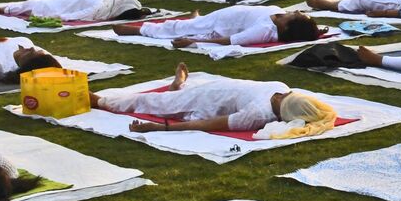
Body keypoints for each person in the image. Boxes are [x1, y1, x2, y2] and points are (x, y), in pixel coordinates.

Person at [89, 62, 338, 137]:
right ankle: (178, 88)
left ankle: (100, 101)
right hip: (214, 91)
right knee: (158, 102)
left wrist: (162, 127)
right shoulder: (263, 108)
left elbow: (209, 124)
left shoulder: (265, 106)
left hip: (207, 101)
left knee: (150, 103)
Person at [113, 6, 323, 49]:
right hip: (225, 15)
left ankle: (138, 29)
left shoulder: (264, 31)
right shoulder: (279, 20)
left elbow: (228, 41)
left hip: (220, 25)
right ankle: (195, 18)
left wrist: (193, 41)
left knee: (179, 28)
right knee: (192, 23)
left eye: (293, 15)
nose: (292, 11)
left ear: (285, 28)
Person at [0, 0, 147, 25]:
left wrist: (51, 17)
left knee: (34, 6)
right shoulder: (101, 7)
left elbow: (69, 16)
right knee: (37, 5)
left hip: (70, 1)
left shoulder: (109, 1)